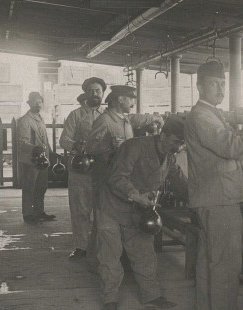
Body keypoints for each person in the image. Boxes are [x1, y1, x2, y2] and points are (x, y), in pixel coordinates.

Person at [184, 60, 243, 310]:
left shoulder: (211, 114)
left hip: (214, 197)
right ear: (199, 86)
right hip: (219, 199)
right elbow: (231, 147)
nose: (220, 88)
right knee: (226, 265)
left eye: (223, 83)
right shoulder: (201, 116)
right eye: (214, 83)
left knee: (210, 264)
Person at [95, 115, 188, 310]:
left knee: (144, 254)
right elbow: (117, 177)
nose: (179, 148)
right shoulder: (134, 147)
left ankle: (151, 296)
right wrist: (136, 196)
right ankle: (110, 299)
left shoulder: (170, 158)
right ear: (163, 135)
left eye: (182, 144)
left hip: (138, 211)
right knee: (110, 256)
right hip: (111, 207)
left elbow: (180, 181)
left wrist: (197, 197)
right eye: (176, 142)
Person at [84, 85, 164, 206]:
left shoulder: (125, 119)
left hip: (122, 179)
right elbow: (89, 147)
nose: (133, 103)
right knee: (106, 216)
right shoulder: (104, 120)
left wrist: (155, 118)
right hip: (106, 178)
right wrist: (109, 144)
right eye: (131, 99)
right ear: (120, 99)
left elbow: (138, 118)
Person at [59, 78, 106, 259]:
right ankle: (81, 247)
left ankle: (101, 246)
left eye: (98, 91)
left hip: (102, 170)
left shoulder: (108, 115)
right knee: (80, 209)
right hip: (81, 170)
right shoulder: (76, 115)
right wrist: (77, 146)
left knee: (102, 209)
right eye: (91, 91)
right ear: (86, 94)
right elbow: (64, 140)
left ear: (102, 94)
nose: (95, 94)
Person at [17, 91, 56, 223]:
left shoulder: (40, 118)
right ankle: (28, 214)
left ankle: (39, 211)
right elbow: (23, 142)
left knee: (41, 187)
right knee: (29, 187)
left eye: (39, 102)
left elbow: (44, 138)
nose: (37, 104)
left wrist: (51, 152)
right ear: (29, 103)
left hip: (42, 160)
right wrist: (35, 148)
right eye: (35, 101)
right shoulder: (25, 120)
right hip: (30, 160)